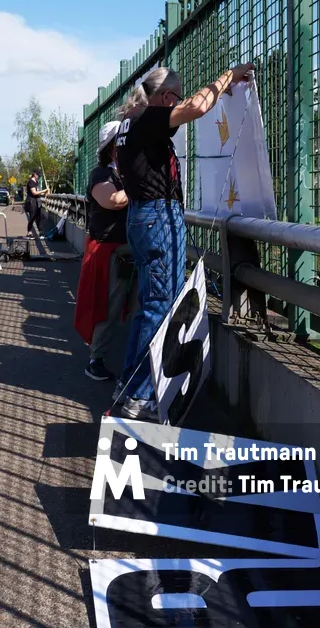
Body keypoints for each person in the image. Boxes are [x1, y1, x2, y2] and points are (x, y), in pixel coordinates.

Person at [113, 63, 254, 419]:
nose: (178, 102)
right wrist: (228, 76)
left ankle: (129, 385)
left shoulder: (129, 122)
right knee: (161, 308)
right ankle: (139, 395)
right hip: (157, 218)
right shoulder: (148, 116)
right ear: (165, 97)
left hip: (143, 217)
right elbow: (200, 106)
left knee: (150, 304)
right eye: (175, 96)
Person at [73, 120, 136, 382]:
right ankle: (96, 359)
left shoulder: (124, 171)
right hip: (110, 250)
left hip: (127, 247)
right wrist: (144, 185)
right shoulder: (101, 174)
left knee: (130, 305)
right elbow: (112, 201)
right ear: (112, 146)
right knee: (108, 307)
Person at [23, 171, 48, 237]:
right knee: (32, 217)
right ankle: (29, 232)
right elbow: (34, 193)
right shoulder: (31, 182)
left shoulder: (36, 182)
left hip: (37, 202)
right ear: (35, 174)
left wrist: (44, 193)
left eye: (40, 176)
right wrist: (44, 190)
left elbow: (38, 192)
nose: (39, 177)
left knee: (39, 217)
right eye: (38, 176)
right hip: (31, 202)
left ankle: (41, 232)